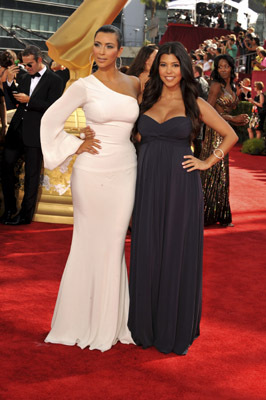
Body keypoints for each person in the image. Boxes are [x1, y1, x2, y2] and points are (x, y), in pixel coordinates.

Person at [128, 42, 238, 356]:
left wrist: (206, 161)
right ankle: (146, 326)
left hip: (180, 185)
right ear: (155, 68)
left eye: (175, 65)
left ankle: (172, 327)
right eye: (163, 65)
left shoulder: (195, 101)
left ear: (184, 68)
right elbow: (132, 136)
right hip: (148, 184)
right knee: (149, 248)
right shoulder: (145, 98)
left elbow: (230, 134)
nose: (169, 71)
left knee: (175, 251)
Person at [41, 25, 140, 351]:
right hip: (91, 171)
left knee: (113, 245)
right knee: (86, 243)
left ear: (119, 50)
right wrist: (73, 144)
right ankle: (80, 323)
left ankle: (110, 324)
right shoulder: (83, 86)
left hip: (125, 170)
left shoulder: (134, 84)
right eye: (96, 44)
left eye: (108, 46)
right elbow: (49, 120)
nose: (100, 51)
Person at [0, 45, 63, 225]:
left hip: (36, 133)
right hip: (17, 130)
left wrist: (30, 101)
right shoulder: (25, 77)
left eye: (30, 65)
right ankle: (10, 208)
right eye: (24, 65)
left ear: (39, 60)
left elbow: (53, 107)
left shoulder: (55, 80)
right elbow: (13, 103)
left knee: (31, 175)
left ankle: (25, 216)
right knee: (6, 167)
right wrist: (10, 83)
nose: (27, 68)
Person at [200, 55, 249, 227]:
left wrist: (237, 119)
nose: (223, 69)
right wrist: (232, 118)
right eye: (219, 66)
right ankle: (203, 213)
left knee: (221, 174)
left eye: (226, 66)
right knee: (212, 171)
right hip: (215, 132)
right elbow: (207, 112)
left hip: (225, 131)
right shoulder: (215, 85)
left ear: (231, 67)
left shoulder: (232, 85)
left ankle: (219, 213)